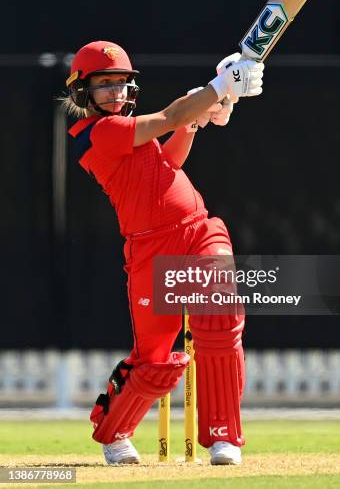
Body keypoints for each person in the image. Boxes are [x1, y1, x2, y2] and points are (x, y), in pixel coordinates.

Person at [64, 40, 264, 465]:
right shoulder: (99, 133)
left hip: (197, 229)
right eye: (104, 84)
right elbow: (169, 116)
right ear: (83, 90)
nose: (116, 93)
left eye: (122, 84)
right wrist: (216, 88)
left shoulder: (130, 127)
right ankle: (114, 433)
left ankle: (224, 437)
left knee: (220, 317)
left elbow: (169, 162)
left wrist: (199, 116)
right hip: (149, 250)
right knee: (154, 359)